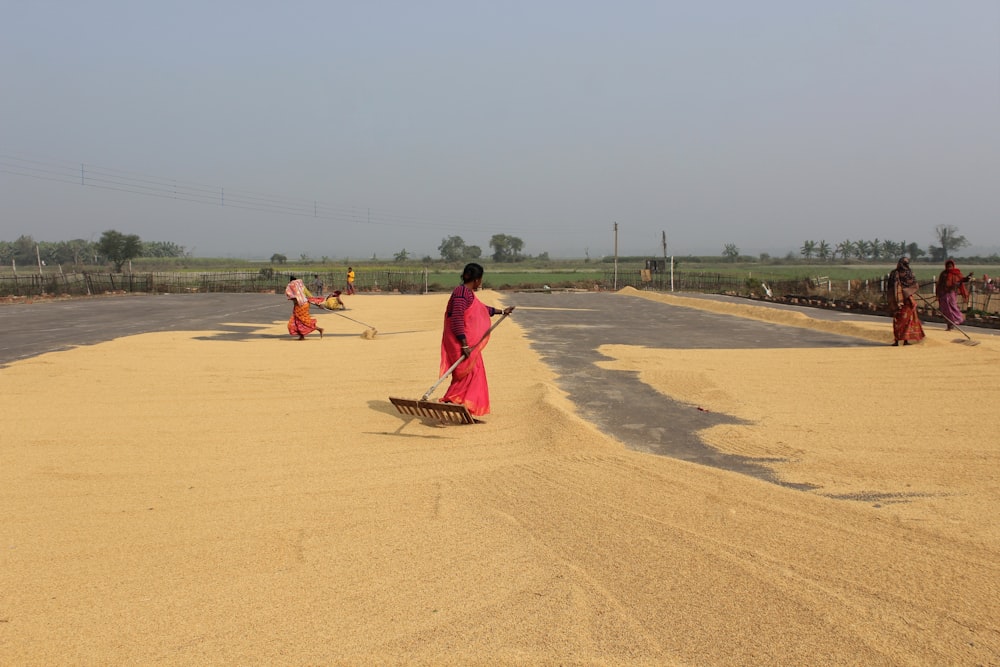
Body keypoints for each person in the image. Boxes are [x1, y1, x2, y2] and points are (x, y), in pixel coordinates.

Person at [439, 263, 514, 417]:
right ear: (477, 280)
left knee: (472, 372)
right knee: (469, 373)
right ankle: (451, 400)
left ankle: (462, 406)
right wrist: (464, 344)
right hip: (459, 341)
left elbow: (481, 309)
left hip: (465, 341)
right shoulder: (461, 293)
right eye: (480, 279)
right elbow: (457, 318)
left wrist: (501, 311)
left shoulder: (467, 293)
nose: (480, 282)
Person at [886, 257, 924, 346]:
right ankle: (901, 340)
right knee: (904, 319)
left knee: (901, 319)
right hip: (902, 300)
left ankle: (901, 340)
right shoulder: (906, 273)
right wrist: (907, 291)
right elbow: (914, 285)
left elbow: (890, 287)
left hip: (902, 301)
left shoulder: (898, 273)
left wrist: (904, 292)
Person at [935, 259, 971, 330]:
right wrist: (938, 293)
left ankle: (957, 320)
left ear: (953, 266)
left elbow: (961, 280)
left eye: (950, 266)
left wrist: (967, 278)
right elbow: (939, 284)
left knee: (952, 307)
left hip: (951, 293)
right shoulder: (943, 274)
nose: (949, 267)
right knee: (945, 310)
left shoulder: (956, 273)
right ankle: (949, 324)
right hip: (943, 294)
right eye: (948, 266)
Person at [285, 275, 324, 340]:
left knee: (300, 321)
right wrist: (317, 304)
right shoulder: (301, 286)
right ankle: (302, 336)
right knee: (299, 321)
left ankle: (318, 329)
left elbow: (291, 296)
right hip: (305, 305)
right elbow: (309, 296)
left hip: (300, 306)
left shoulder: (290, 286)